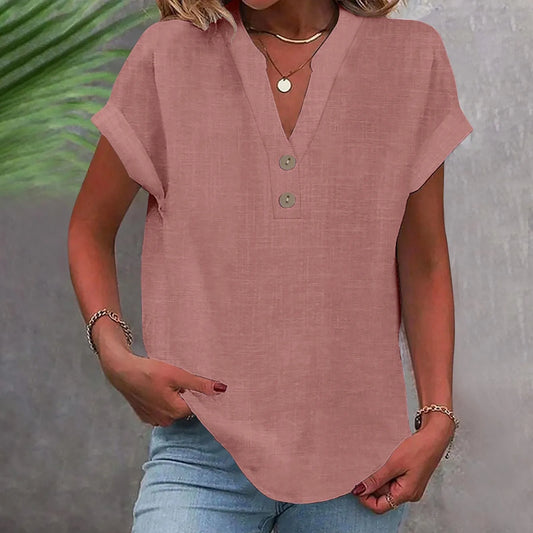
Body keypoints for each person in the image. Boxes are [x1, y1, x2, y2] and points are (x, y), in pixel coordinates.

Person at [68, 0, 472, 531]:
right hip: (202, 454)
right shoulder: (168, 56)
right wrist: (113, 353)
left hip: (360, 471)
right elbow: (90, 228)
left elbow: (424, 261)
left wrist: (438, 417)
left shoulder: (411, 58)